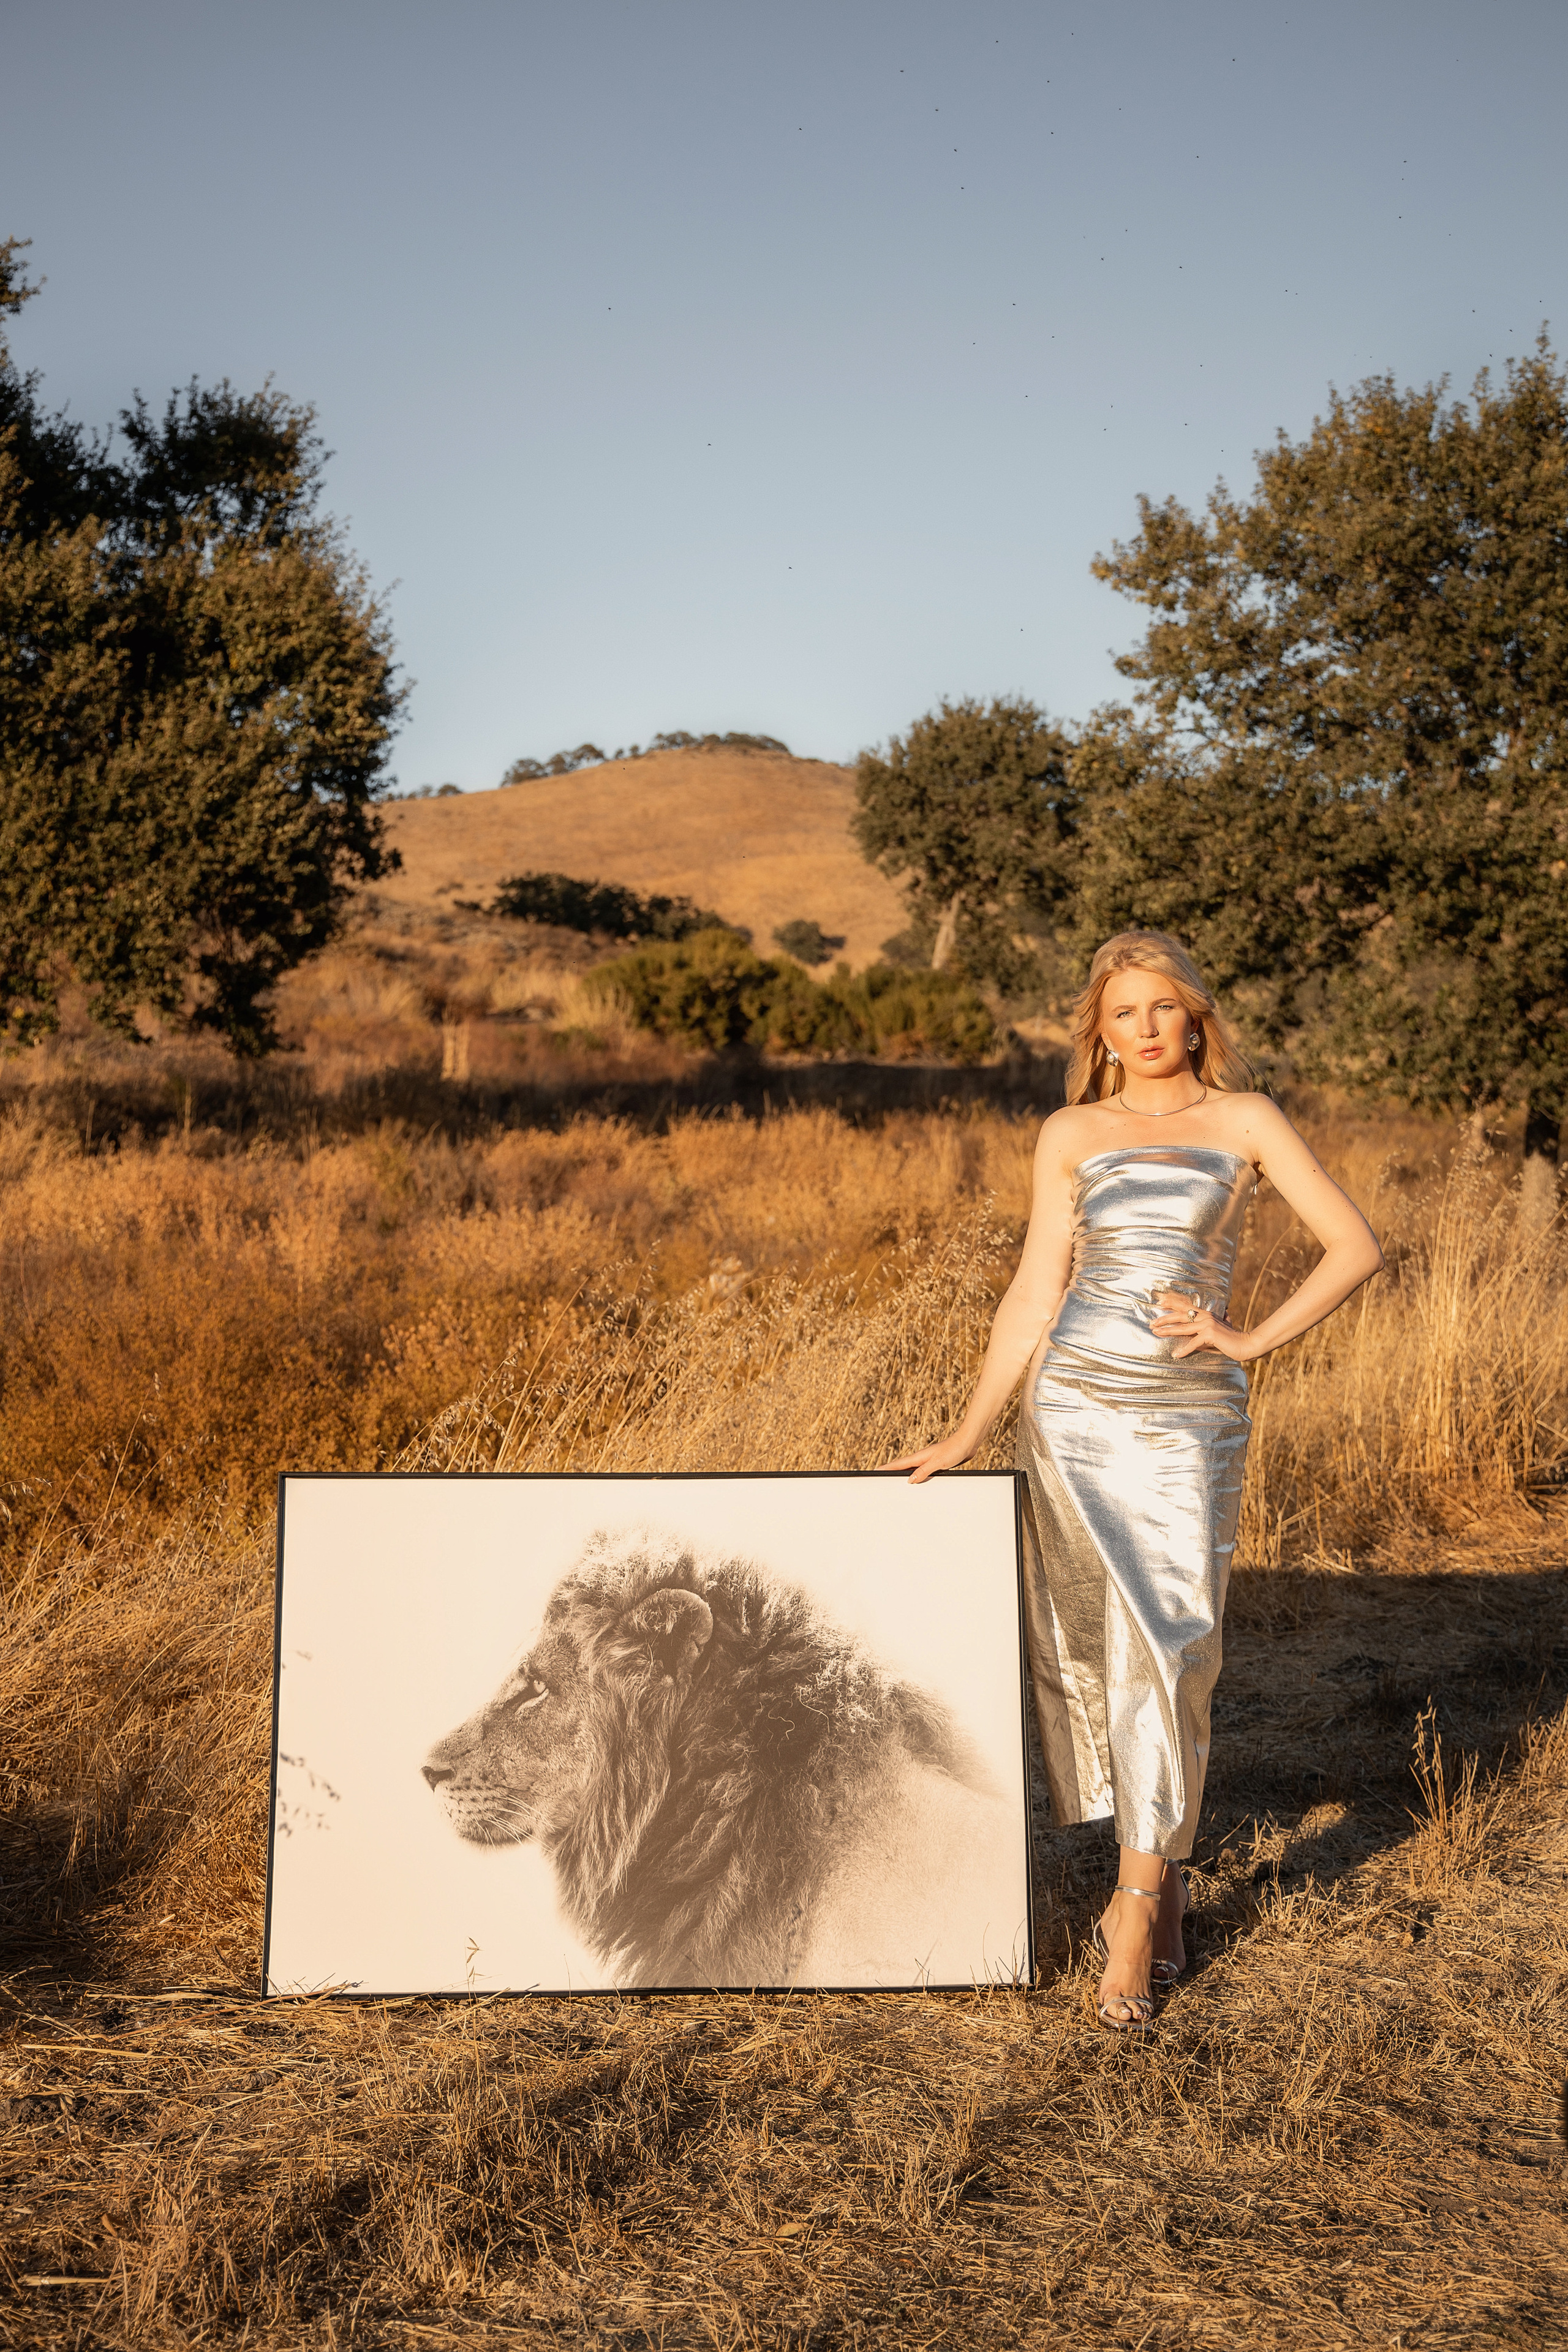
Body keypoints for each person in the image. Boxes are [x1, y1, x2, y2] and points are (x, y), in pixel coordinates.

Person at [886, 930, 1383, 2029]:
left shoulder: (1246, 1119)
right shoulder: (1072, 1131)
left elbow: (1355, 1246)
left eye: (1165, 1007)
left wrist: (1249, 1341)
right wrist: (971, 1428)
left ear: (1195, 1017)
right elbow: (1036, 1288)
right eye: (1125, 1013)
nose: (1147, 1028)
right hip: (1072, 1406)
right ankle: (1155, 1884)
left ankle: (1136, 1902)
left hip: (1191, 1414)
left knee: (1174, 1643)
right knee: (1099, 1645)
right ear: (1101, 1032)